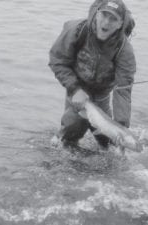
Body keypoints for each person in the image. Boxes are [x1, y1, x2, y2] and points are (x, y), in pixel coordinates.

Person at [49, 0, 136, 149]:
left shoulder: (124, 50)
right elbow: (58, 61)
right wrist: (75, 89)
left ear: (120, 23)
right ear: (96, 14)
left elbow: (123, 89)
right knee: (69, 136)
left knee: (110, 145)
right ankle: (60, 144)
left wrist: (121, 127)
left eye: (113, 18)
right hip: (76, 91)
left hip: (102, 96)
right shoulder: (77, 30)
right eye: (104, 15)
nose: (106, 22)